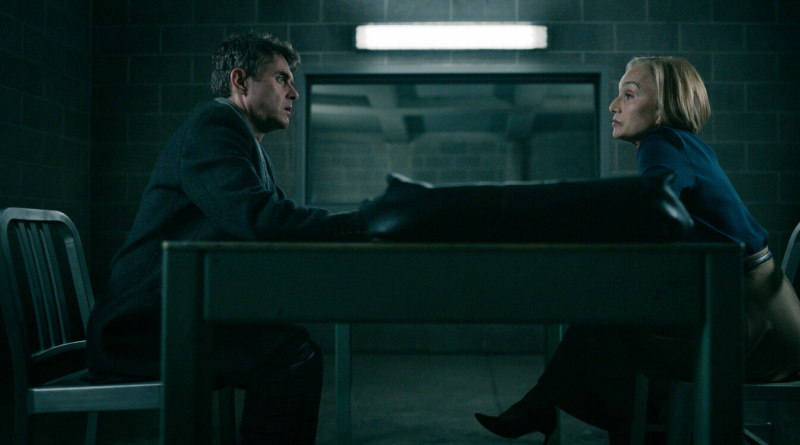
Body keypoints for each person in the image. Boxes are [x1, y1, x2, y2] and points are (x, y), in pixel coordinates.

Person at [474, 56, 800, 443]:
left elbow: (653, 204)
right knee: (612, 326)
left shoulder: (662, 141)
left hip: (753, 324)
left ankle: (566, 411)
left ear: (664, 105)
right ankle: (575, 412)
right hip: (774, 316)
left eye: (628, 95)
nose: (614, 106)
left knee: (606, 327)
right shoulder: (689, 145)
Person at [86, 31, 366, 444]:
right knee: (293, 355)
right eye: (281, 79)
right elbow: (262, 219)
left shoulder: (243, 141)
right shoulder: (213, 126)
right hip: (138, 331)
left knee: (289, 343)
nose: (293, 93)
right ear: (240, 81)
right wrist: (362, 222)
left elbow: (271, 219)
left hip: (169, 318)